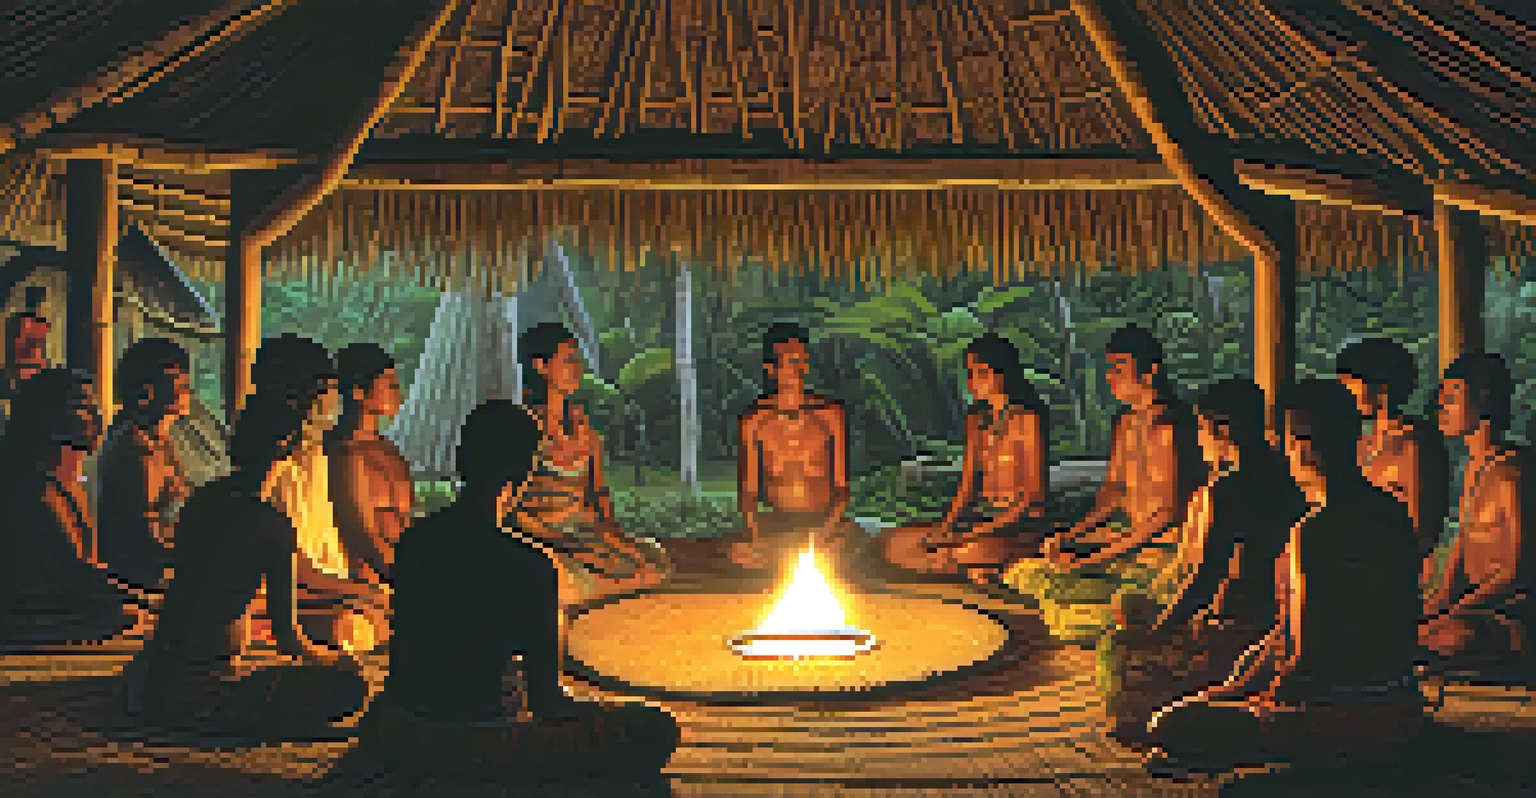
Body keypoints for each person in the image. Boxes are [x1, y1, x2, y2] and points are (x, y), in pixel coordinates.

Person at [362, 400, 680, 781]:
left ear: (460, 459)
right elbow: (548, 704)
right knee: (656, 727)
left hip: (400, 731)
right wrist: (598, 708)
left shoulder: (415, 541)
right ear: (525, 474)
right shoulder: (529, 566)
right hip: (477, 743)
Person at [1145, 379, 1423, 773]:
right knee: (1212, 699)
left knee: (1169, 724)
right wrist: (1239, 682)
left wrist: (1261, 698)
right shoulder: (1393, 513)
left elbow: (1305, 659)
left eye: (1290, 440)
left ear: (1304, 446)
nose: (1285, 451)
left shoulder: (1314, 532)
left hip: (1337, 714)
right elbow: (1402, 613)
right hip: (1402, 707)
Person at [128, 390, 367, 737]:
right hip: (206, 687)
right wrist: (340, 659)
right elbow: (289, 639)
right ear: (288, 447)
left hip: (151, 678)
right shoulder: (270, 524)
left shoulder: (202, 501)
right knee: (349, 686)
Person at [1105, 379, 1306, 747]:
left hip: (1237, 626)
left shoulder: (1229, 490)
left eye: (1201, 428)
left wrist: (1161, 631)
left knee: (1125, 649)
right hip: (1277, 620)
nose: (1199, 439)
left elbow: (1206, 579)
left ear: (1221, 430)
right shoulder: (1292, 478)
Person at [1003, 325, 1207, 615]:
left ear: (1149, 373)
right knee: (1023, 573)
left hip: (1163, 547)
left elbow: (1166, 515)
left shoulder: (1170, 426)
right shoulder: (1124, 423)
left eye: (1119, 368)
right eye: (1109, 368)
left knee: (1058, 592)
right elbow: (1113, 493)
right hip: (1123, 537)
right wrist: (1072, 536)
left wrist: (1091, 559)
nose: (1110, 377)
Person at [249, 334, 388, 654]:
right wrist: (357, 590)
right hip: (290, 595)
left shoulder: (316, 456)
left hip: (324, 588)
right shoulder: (274, 467)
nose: (331, 403)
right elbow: (291, 568)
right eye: (325, 392)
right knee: (353, 625)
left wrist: (360, 588)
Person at [515, 323, 669, 606]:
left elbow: (598, 493)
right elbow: (509, 509)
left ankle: (605, 584)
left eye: (578, 360)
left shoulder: (585, 429)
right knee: (557, 577)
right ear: (541, 365)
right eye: (569, 360)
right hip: (539, 537)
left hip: (584, 534)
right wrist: (561, 540)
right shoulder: (521, 428)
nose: (578, 369)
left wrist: (613, 538)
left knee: (653, 557)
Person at [880, 333, 1051, 583]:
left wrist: (977, 531)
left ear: (1001, 374)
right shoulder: (975, 421)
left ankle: (987, 566)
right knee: (892, 542)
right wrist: (945, 527)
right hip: (980, 517)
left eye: (980, 373)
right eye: (969, 373)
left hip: (1019, 524)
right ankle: (974, 566)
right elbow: (967, 484)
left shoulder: (1027, 420)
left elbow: (1033, 496)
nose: (971, 382)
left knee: (963, 549)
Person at [0, 368, 142, 647]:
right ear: (47, 416)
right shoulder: (35, 489)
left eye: (94, 407)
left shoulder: (68, 482)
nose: (95, 418)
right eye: (81, 407)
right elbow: (74, 573)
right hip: (27, 615)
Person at [1421, 352, 1533, 677]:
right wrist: (1430, 611)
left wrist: (1456, 611)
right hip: (1471, 609)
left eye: (1452, 399)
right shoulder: (1471, 469)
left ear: (1482, 400)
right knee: (1407, 630)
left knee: (1454, 636)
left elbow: (1517, 569)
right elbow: (1459, 553)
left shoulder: (1513, 470)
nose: (1440, 408)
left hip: (1509, 613)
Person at [1336, 337, 1451, 590]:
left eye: (1349, 384)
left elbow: (1422, 528)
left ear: (1380, 385)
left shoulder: (1416, 443)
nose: (1343, 392)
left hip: (1398, 575)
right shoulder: (1361, 444)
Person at [95, 337, 193, 594]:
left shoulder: (160, 441)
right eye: (176, 377)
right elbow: (144, 537)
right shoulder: (135, 449)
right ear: (146, 391)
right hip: (139, 583)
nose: (186, 386)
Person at [327, 343, 412, 582]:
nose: (397, 394)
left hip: (403, 567)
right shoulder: (342, 454)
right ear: (358, 391)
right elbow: (360, 533)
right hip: (365, 579)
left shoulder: (390, 452)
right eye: (389, 385)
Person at [0, 287, 51, 435]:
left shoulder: (39, 323)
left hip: (31, 368)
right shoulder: (21, 322)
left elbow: (40, 349)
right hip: (22, 368)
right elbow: (15, 348)